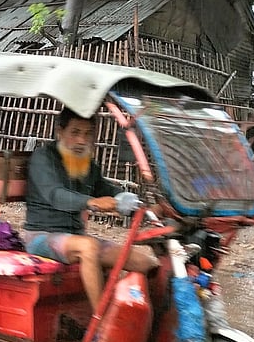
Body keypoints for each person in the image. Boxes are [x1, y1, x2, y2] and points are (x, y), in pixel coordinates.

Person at [22, 107, 158, 309]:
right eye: (75, 132)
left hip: (75, 238)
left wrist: (126, 197)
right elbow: (55, 195)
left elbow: (104, 187)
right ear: (60, 132)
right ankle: (102, 325)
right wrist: (92, 202)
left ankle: (139, 320)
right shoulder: (43, 158)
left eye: (87, 134)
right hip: (40, 236)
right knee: (88, 247)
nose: (81, 140)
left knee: (146, 263)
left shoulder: (87, 164)